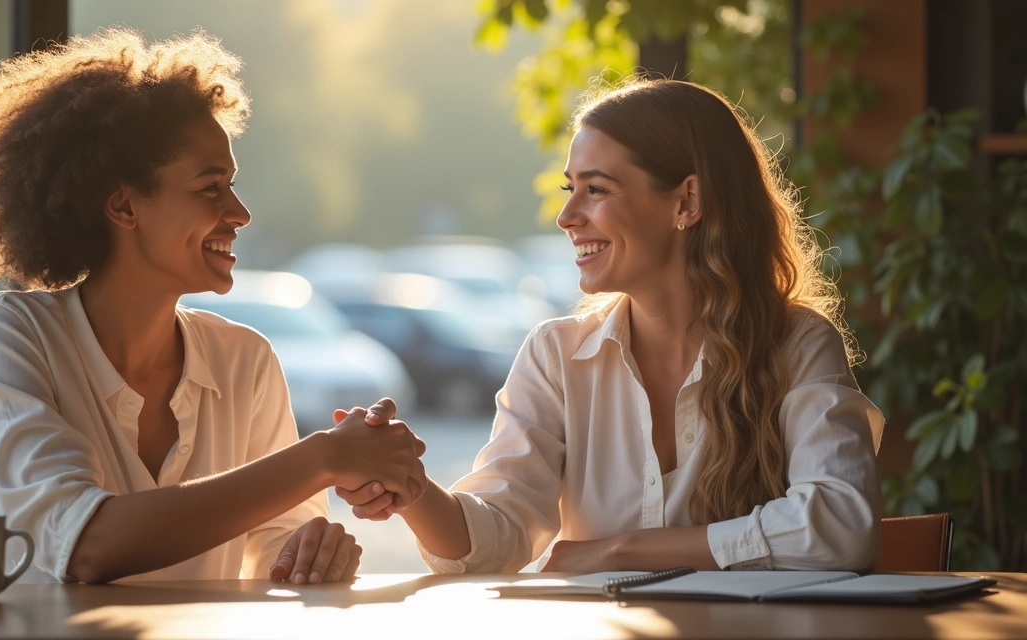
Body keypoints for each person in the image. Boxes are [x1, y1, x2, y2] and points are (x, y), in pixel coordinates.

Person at [0, 28, 426, 586]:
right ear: (123, 205)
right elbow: (86, 544)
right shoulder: (6, 335)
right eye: (209, 188)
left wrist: (308, 553)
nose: (239, 212)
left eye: (233, 186)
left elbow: (275, 553)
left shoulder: (247, 360)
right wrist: (324, 459)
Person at [336, 79, 884, 574]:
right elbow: (500, 534)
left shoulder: (797, 344)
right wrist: (412, 488)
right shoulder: (555, 356)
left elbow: (841, 527)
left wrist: (625, 550)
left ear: (687, 201)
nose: (567, 216)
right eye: (568, 188)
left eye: (596, 189)